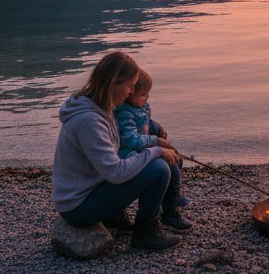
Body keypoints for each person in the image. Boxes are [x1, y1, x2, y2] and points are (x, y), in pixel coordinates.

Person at [52, 51, 182, 251]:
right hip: (78, 207)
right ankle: (146, 234)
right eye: (130, 86)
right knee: (159, 169)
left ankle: (114, 216)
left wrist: (153, 131)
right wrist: (155, 151)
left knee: (153, 163)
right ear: (113, 83)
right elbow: (116, 172)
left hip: (90, 188)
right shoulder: (90, 121)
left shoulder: (101, 104)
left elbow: (124, 136)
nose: (132, 91)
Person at [114, 68, 192, 233]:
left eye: (147, 94)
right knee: (170, 166)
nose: (146, 97)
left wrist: (156, 128)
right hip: (130, 154)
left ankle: (169, 202)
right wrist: (155, 141)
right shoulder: (124, 113)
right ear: (129, 93)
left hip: (142, 148)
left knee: (177, 161)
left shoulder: (138, 106)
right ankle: (169, 212)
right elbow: (130, 139)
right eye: (143, 94)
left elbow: (145, 120)